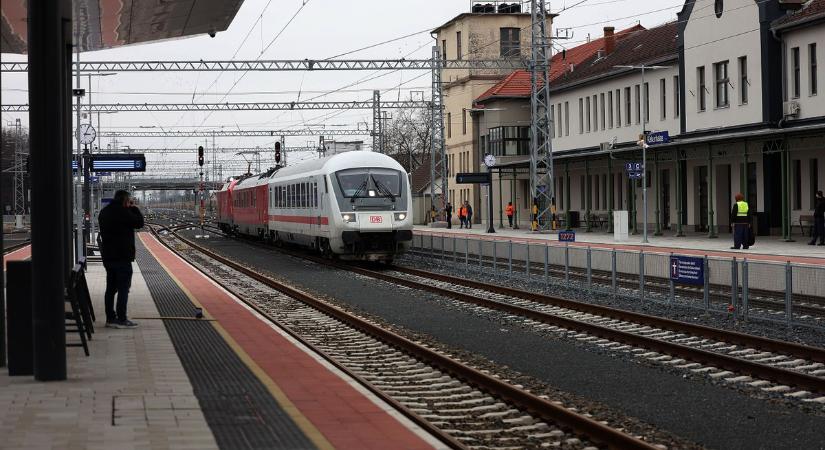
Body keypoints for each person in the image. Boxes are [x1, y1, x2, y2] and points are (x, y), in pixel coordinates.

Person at [98, 190, 144, 328]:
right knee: (124, 288)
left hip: (108, 257)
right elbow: (139, 223)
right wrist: (134, 208)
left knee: (110, 288)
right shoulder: (124, 212)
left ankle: (110, 318)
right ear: (125, 200)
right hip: (122, 257)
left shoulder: (104, 212)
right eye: (129, 200)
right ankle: (122, 318)